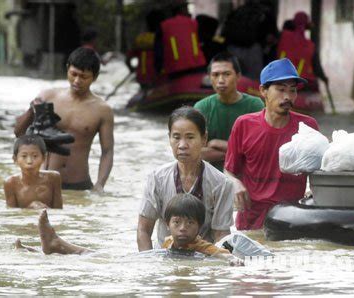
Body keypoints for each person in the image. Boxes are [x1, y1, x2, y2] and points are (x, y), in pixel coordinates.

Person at [224, 58, 319, 230]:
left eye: (292, 90)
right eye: (281, 90)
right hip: (251, 222)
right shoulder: (243, 124)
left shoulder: (308, 127)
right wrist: (235, 184)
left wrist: (314, 191)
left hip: (291, 220)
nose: (288, 97)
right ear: (263, 91)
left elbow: (319, 171)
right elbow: (229, 171)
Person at [15, 194, 243, 265]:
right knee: (97, 256)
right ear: (167, 225)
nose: (183, 229)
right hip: (146, 259)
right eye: (177, 223)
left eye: (190, 224)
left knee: (97, 259)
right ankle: (38, 250)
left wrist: (232, 260)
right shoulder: (167, 243)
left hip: (144, 261)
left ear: (199, 227)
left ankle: (57, 246)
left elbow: (223, 254)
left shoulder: (199, 245)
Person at [14, 47, 114, 191]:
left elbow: (107, 151)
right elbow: (19, 133)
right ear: (67, 69)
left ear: (95, 77)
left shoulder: (102, 110)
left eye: (84, 77)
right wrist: (31, 110)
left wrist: (100, 184)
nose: (77, 81)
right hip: (44, 182)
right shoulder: (48, 97)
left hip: (80, 185)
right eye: (73, 74)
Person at [137, 106, 233, 251]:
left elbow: (221, 235)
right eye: (176, 137)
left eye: (190, 137)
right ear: (169, 138)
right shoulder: (157, 178)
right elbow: (143, 230)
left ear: (204, 139)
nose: (182, 145)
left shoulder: (221, 183)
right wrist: (150, 265)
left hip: (204, 259)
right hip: (165, 256)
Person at [194, 52, 264, 171]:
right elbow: (196, 153)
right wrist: (237, 153)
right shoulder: (201, 107)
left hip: (247, 176)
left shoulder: (255, 105)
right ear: (209, 77)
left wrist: (216, 144)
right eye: (215, 75)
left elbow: (258, 150)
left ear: (238, 76)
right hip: (212, 175)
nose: (221, 80)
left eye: (227, 74)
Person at [4, 135, 63, 209]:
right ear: (15, 159)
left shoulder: (53, 178)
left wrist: (46, 212)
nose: (29, 161)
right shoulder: (10, 183)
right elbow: (13, 215)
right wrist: (29, 210)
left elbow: (59, 211)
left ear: (44, 158)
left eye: (35, 156)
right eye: (24, 156)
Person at [276, 12, 328, 92]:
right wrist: (324, 78)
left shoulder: (282, 37)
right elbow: (316, 66)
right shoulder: (310, 46)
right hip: (304, 84)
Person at [154, 3, 206, 76]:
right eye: (187, 9)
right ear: (181, 10)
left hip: (175, 69)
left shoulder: (163, 26)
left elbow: (158, 52)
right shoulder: (193, 23)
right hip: (197, 66)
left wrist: (158, 69)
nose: (189, 12)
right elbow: (201, 42)